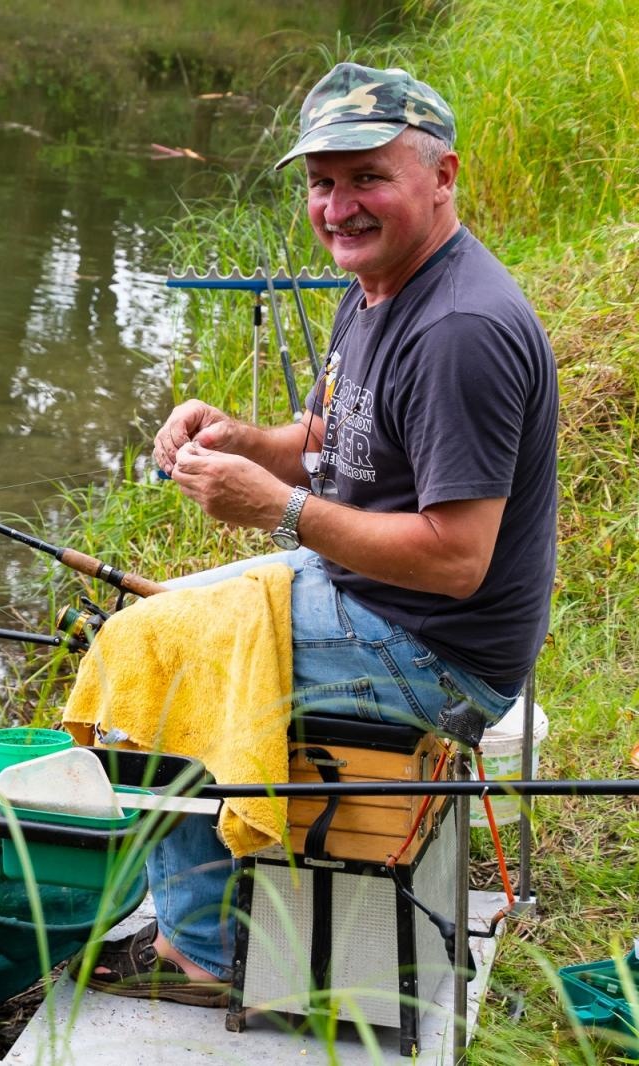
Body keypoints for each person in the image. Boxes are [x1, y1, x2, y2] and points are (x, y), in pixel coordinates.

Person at [89, 62, 559, 1005]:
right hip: (372, 596)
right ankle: (223, 897)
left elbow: (459, 562)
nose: (339, 206)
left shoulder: (459, 328)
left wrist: (276, 507)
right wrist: (238, 437)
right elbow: (330, 441)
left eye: (368, 177)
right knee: (162, 621)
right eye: (321, 182)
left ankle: (207, 951)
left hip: (440, 650)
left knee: (157, 658)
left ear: (443, 175)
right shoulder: (381, 282)